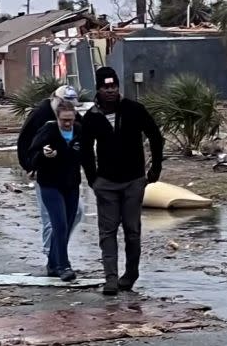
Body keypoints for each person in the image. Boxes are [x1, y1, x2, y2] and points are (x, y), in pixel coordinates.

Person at [81, 67, 164, 296]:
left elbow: (156, 136)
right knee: (107, 232)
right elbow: (85, 150)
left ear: (118, 87)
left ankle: (130, 275)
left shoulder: (134, 110)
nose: (110, 91)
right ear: (98, 89)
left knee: (132, 231)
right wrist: (92, 179)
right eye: (105, 87)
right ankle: (110, 278)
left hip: (134, 181)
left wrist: (155, 168)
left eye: (113, 86)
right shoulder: (91, 117)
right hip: (106, 183)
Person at [16, 85, 85, 275]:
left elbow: (83, 150)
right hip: (47, 177)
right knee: (54, 220)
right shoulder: (43, 118)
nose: (68, 122)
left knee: (75, 214)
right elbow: (25, 141)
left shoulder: (77, 124)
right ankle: (55, 261)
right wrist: (31, 165)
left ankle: (57, 256)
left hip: (70, 180)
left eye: (73, 108)